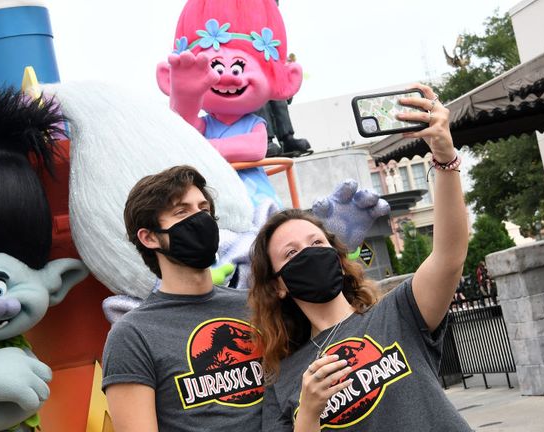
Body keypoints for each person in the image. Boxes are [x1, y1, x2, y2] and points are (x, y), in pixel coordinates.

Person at [249, 83, 472, 431]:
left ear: (338, 258)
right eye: (292, 253)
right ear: (277, 285)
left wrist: (445, 158)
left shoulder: (397, 314)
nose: (308, 253)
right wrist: (307, 414)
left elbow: (449, 255)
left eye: (317, 243)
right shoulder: (284, 380)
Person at [102, 165, 264, 432]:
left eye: (204, 209)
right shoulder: (132, 334)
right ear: (150, 237)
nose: (200, 219)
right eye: (182, 212)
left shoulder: (253, 304)